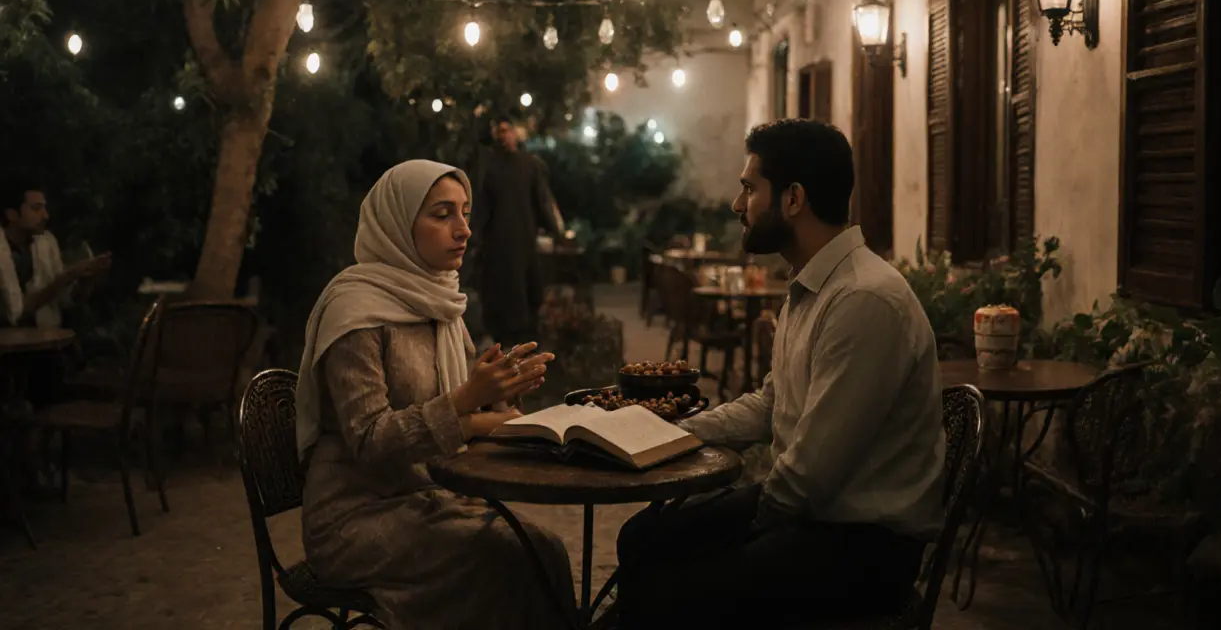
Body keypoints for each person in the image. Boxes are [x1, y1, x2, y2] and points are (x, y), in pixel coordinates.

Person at [613, 119, 948, 627]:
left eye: (749, 187)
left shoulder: (862, 299)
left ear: (794, 199)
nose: (736, 204)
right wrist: (669, 431)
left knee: (669, 589)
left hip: (862, 546)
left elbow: (808, 478)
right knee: (640, 538)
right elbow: (773, 405)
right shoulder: (813, 285)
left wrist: (743, 530)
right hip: (814, 516)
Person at [294, 159, 574, 630]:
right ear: (398, 224)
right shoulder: (354, 311)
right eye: (442, 215)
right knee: (507, 557)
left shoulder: (438, 300)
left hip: (428, 497)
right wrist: (469, 402)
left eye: (465, 212)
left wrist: (500, 394)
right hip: (355, 516)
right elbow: (370, 439)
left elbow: (463, 407)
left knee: (543, 548)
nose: (463, 230)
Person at [470, 112, 565, 347]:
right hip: (498, 246)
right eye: (498, 132)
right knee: (503, 301)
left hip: (523, 242)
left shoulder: (528, 165)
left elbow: (541, 201)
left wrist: (556, 232)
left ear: (514, 133)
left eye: (506, 131)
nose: (503, 136)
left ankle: (524, 346)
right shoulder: (489, 167)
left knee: (525, 298)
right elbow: (482, 206)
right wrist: (474, 239)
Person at [0, 180, 111, 329]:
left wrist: (86, 279)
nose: (45, 215)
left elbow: (66, 301)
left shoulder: (46, 243)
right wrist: (66, 277)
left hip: (46, 340)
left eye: (44, 208)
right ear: (11, 215)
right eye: (36, 208)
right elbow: (14, 310)